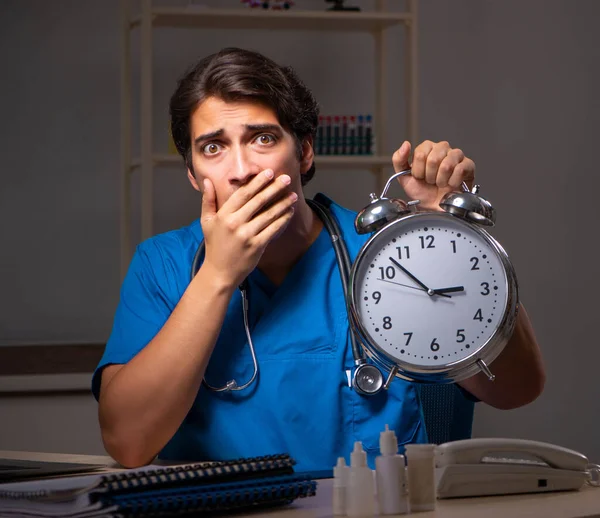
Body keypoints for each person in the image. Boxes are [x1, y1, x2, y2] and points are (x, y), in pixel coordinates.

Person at [92, 47, 545, 471]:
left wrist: (451, 237)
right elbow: (129, 442)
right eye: (213, 147)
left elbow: (517, 387)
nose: (242, 169)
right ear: (193, 174)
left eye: (263, 138)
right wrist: (218, 276)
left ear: (304, 151)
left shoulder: (390, 249)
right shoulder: (163, 265)